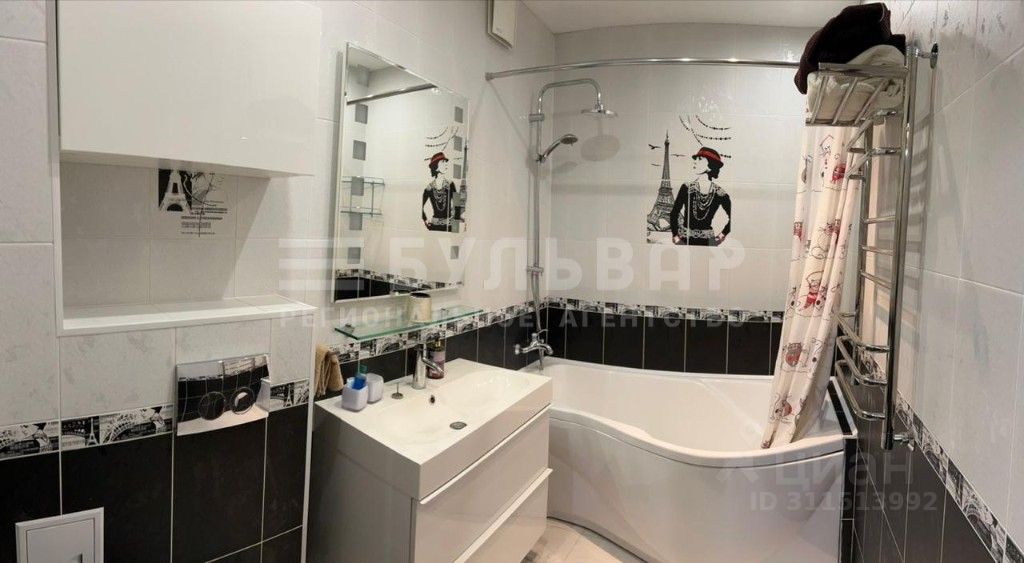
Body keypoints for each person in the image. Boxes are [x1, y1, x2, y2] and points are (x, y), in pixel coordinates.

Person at [669, 146, 732, 246]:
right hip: (685, 241)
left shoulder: (720, 193)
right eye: (695, 159)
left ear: (710, 165)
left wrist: (720, 237)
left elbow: (733, 218)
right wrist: (675, 236)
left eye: (700, 159)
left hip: (708, 243)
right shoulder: (686, 187)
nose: (695, 162)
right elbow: (674, 213)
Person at [422, 152, 458, 232]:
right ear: (436, 166)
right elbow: (420, 206)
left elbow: (458, 205)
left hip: (449, 227)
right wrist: (425, 220)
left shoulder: (451, 184)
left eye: (446, 162)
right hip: (434, 227)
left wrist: (455, 225)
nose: (446, 164)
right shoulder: (429, 188)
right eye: (442, 162)